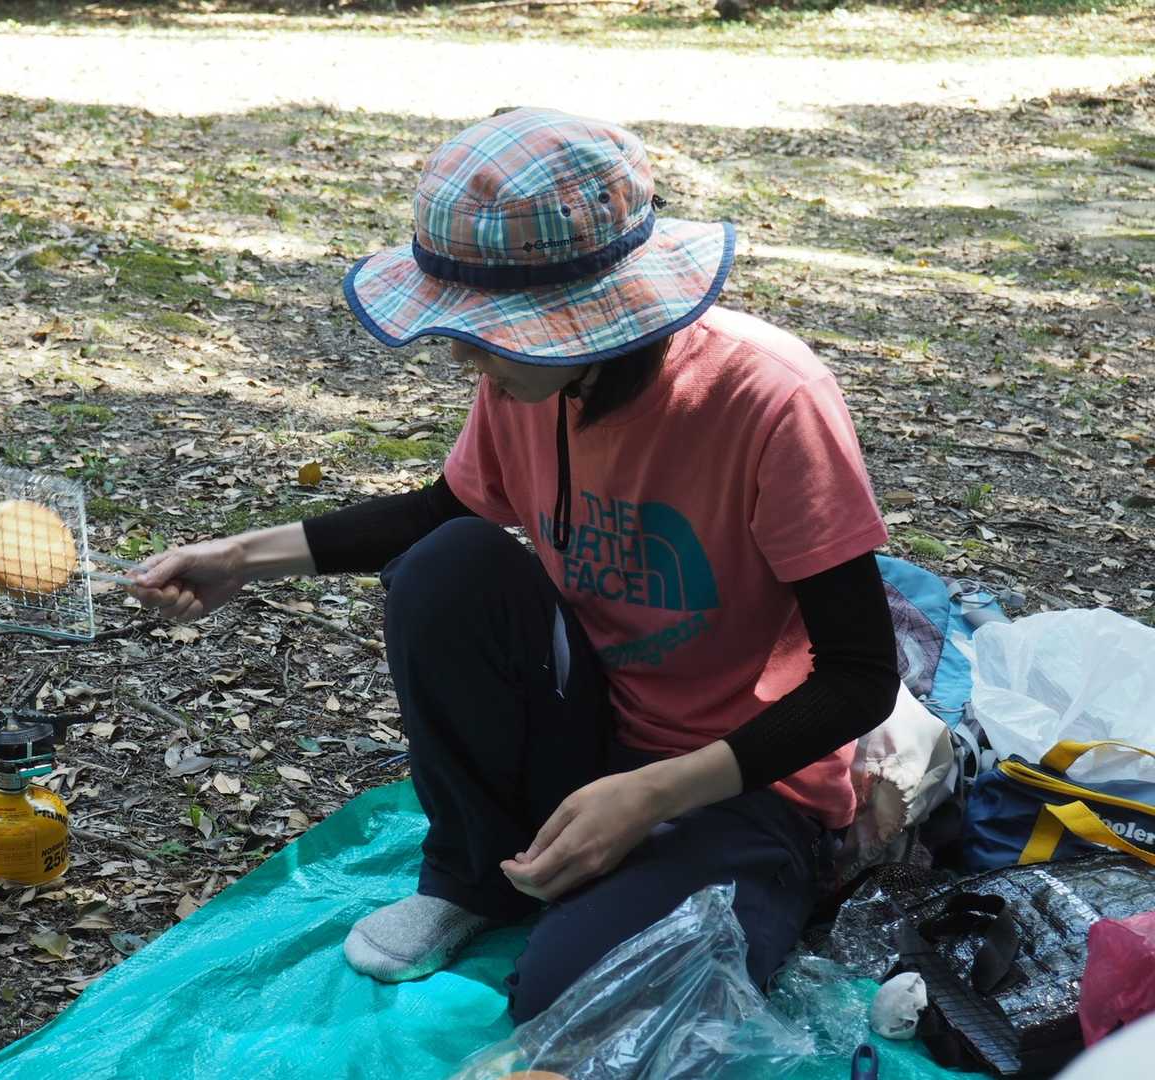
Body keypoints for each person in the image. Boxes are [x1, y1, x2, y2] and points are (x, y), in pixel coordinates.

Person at [128, 107, 900, 1023]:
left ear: (592, 318)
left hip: (742, 778)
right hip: (593, 726)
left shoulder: (769, 398)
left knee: (582, 1002)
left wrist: (652, 793)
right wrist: (241, 558)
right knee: (445, 567)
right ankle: (475, 876)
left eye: (491, 330)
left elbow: (859, 676)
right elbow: (442, 513)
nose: (464, 355)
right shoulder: (529, 380)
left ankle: (756, 874)